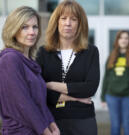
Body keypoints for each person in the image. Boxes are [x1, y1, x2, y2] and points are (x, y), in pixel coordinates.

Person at [36, 0, 100, 135]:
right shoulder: (43, 52)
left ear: (80, 24)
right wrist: (75, 98)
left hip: (83, 120)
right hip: (52, 121)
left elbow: (90, 88)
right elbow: (38, 90)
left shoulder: (91, 51)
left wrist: (52, 85)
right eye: (63, 18)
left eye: (73, 19)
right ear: (56, 22)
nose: (68, 23)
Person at [0, 6, 60, 135]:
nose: (32, 32)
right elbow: (23, 103)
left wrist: (51, 123)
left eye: (35, 27)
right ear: (14, 30)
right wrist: (47, 132)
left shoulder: (30, 62)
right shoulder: (9, 59)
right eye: (24, 27)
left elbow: (38, 100)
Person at [101, 30, 129, 135]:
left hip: (128, 96)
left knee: (127, 124)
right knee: (115, 125)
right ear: (117, 40)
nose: (123, 40)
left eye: (126, 38)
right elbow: (106, 77)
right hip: (112, 96)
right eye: (121, 38)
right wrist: (103, 96)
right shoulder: (112, 55)